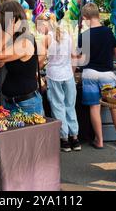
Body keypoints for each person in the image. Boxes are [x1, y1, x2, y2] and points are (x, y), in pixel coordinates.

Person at [76, 2, 116, 149]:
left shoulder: (83, 36)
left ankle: (99, 140)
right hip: (108, 75)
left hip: (90, 73)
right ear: (98, 15)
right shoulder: (109, 32)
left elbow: (81, 59)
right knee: (114, 106)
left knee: (94, 107)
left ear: (85, 17)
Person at [0, 0, 43, 115]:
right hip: (12, 103)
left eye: (2, 20)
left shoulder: (25, 41)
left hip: (26, 105)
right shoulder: (14, 39)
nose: (0, 23)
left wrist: (6, 33)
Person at [36, 11, 80, 152]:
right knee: (70, 106)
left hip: (54, 75)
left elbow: (40, 61)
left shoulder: (46, 39)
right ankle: (75, 138)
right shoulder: (67, 35)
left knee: (58, 107)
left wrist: (35, 68)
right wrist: (71, 73)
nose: (37, 29)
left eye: (38, 26)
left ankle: (64, 140)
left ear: (44, 24)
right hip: (68, 75)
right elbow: (74, 56)